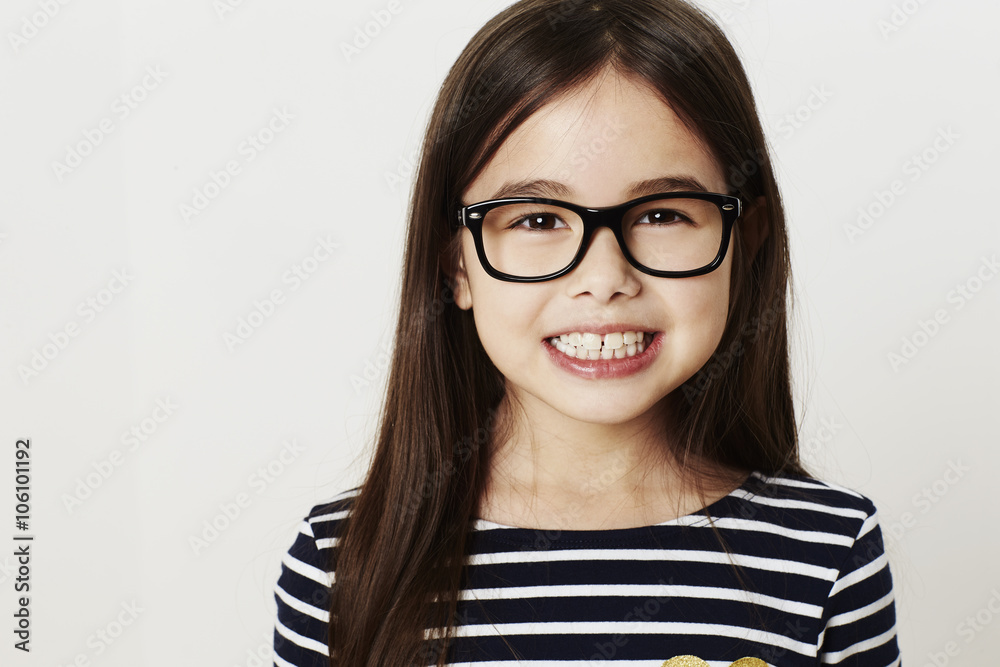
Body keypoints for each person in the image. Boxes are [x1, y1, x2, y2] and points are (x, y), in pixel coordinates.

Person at [272, 0, 902, 665]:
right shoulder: (341, 567)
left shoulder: (827, 549)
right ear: (455, 262)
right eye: (539, 220)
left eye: (661, 213)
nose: (604, 278)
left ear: (744, 242)